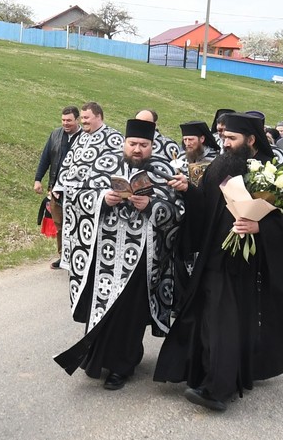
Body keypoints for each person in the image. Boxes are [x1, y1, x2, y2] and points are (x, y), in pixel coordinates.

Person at [154, 113, 283, 411]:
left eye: (232, 139)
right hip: (212, 256)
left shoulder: (273, 171)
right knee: (205, 317)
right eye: (224, 138)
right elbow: (206, 206)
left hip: (244, 264)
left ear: (251, 140)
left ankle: (218, 389)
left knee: (223, 321)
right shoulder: (220, 167)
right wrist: (189, 191)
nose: (225, 144)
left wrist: (261, 227)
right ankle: (201, 372)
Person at [54, 119, 183, 389]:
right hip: (103, 254)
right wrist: (103, 199)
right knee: (100, 306)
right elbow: (77, 196)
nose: (137, 149)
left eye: (143, 145)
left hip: (142, 257)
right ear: (125, 143)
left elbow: (178, 213)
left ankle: (121, 367)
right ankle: (97, 357)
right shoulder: (104, 164)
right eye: (133, 144)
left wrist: (151, 205)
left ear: (152, 146)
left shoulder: (163, 171)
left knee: (129, 311)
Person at [55, 101, 125, 270]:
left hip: (95, 198)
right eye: (82, 118)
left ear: (98, 116)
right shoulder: (82, 137)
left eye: (87, 118)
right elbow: (68, 163)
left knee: (92, 235)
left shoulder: (113, 138)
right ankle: (75, 262)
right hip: (72, 200)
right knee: (73, 233)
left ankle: (93, 266)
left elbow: (115, 169)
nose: (83, 121)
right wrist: (58, 186)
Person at [34, 105, 81, 269]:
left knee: (76, 224)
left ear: (77, 119)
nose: (65, 123)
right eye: (63, 120)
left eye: (69, 120)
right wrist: (38, 179)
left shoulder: (85, 137)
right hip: (56, 189)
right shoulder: (55, 134)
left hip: (77, 191)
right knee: (59, 224)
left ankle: (78, 257)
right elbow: (45, 158)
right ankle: (63, 257)